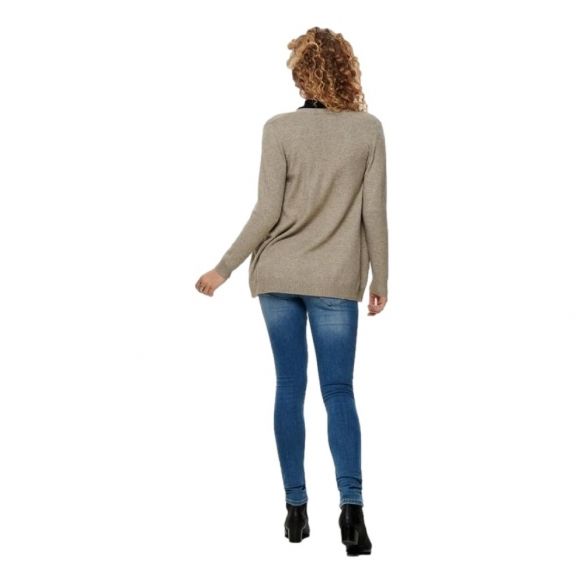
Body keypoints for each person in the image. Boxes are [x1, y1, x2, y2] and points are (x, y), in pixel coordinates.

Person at [194, 26, 387, 556]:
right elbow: (374, 211)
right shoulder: (368, 130)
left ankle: (296, 511)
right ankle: (353, 515)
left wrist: (223, 269)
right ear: (345, 69)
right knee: (338, 391)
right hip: (335, 279)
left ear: (301, 75)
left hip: (277, 275)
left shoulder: (278, 128)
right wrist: (381, 278)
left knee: (288, 387)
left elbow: (266, 212)